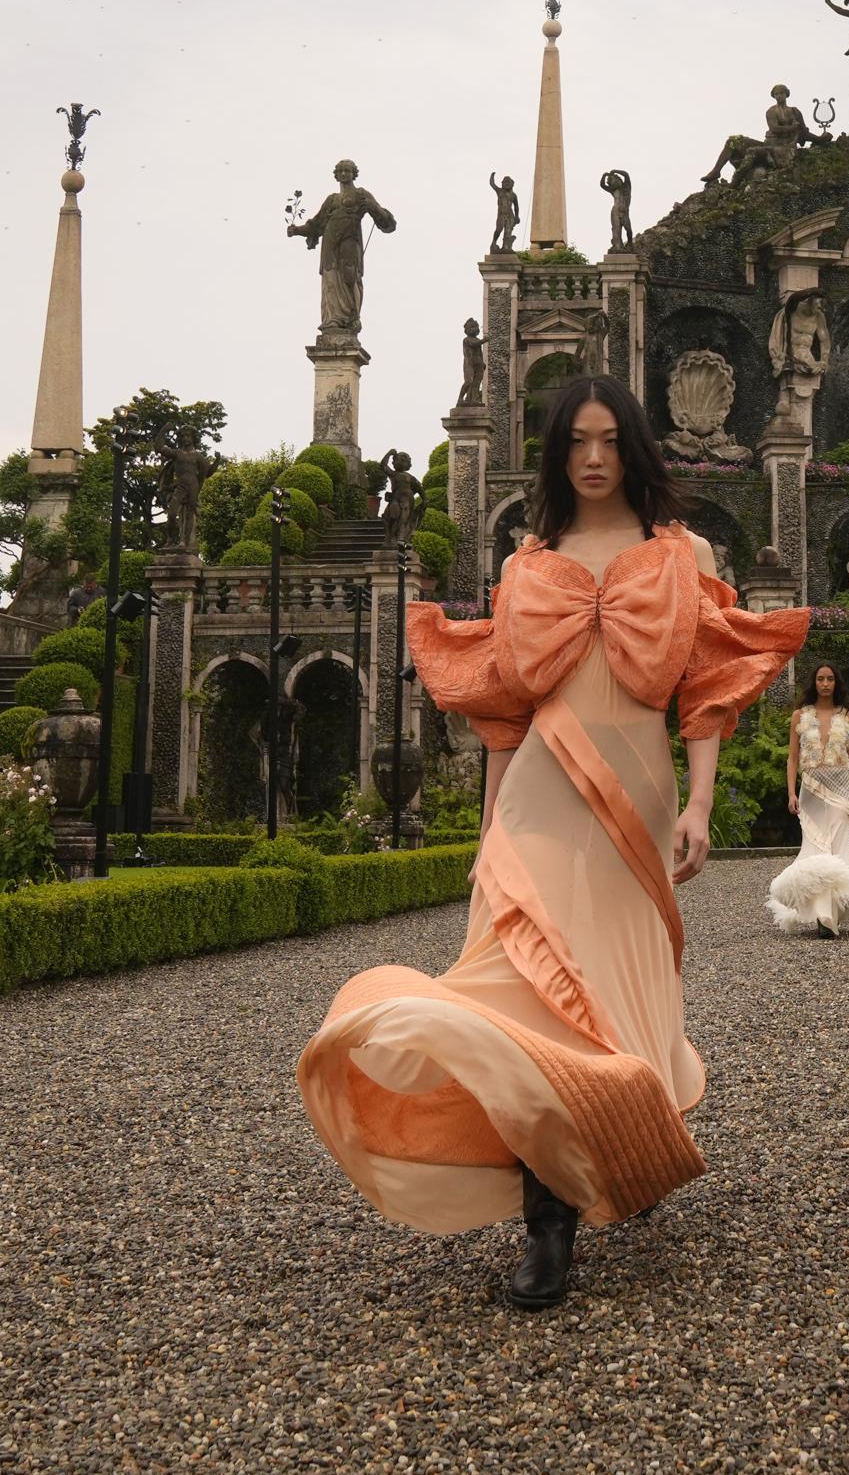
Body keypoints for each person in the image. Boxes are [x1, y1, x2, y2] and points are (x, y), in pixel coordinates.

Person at [298, 374, 807, 1313]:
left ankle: (623, 1134)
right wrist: (489, 834)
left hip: (639, 799)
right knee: (528, 991)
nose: (595, 456)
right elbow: (503, 713)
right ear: (557, 450)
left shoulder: (680, 552)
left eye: (611, 438)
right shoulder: (530, 563)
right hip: (538, 791)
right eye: (577, 439)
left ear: (635, 446)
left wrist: (700, 804)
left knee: (614, 986)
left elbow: (705, 688)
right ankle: (549, 1221)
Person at [769, 663, 849, 937]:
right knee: (815, 847)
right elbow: (792, 758)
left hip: (841, 790)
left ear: (836, 683)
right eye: (820, 679)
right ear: (814, 683)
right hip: (811, 790)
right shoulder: (799, 716)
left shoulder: (848, 718)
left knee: (838, 849)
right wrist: (791, 792)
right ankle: (823, 912)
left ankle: (829, 914)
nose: (825, 684)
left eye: (829, 679)